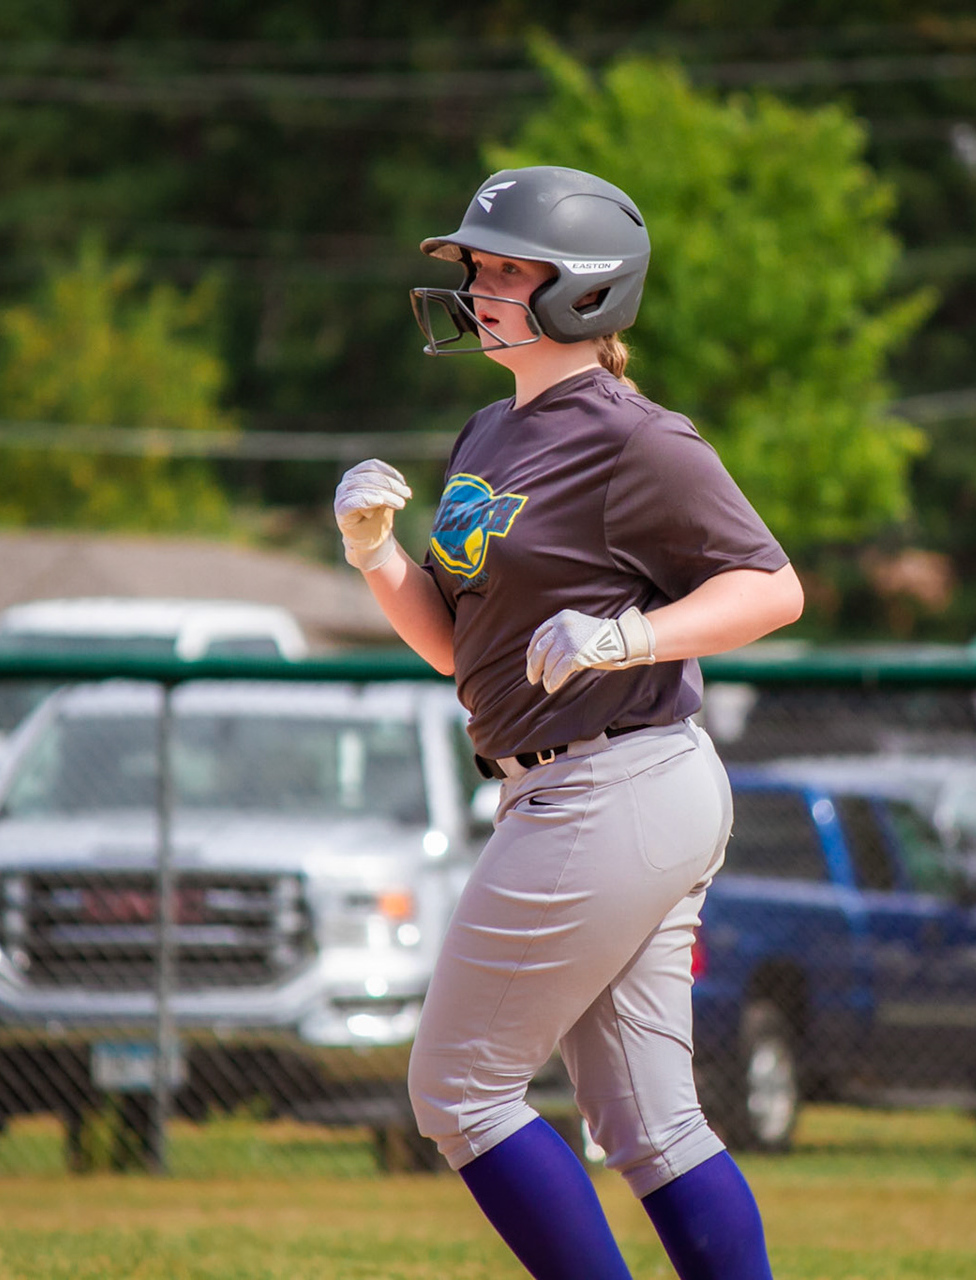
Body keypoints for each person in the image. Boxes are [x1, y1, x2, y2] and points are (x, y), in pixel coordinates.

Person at [333, 166, 803, 1280]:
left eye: (506, 268)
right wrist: (375, 556)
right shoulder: (487, 433)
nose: (479, 288)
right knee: (650, 1123)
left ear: (585, 289)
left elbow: (773, 588)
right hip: (588, 782)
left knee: (459, 1089)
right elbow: (461, 650)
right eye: (477, 267)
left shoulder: (639, 438)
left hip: (614, 778)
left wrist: (631, 636)